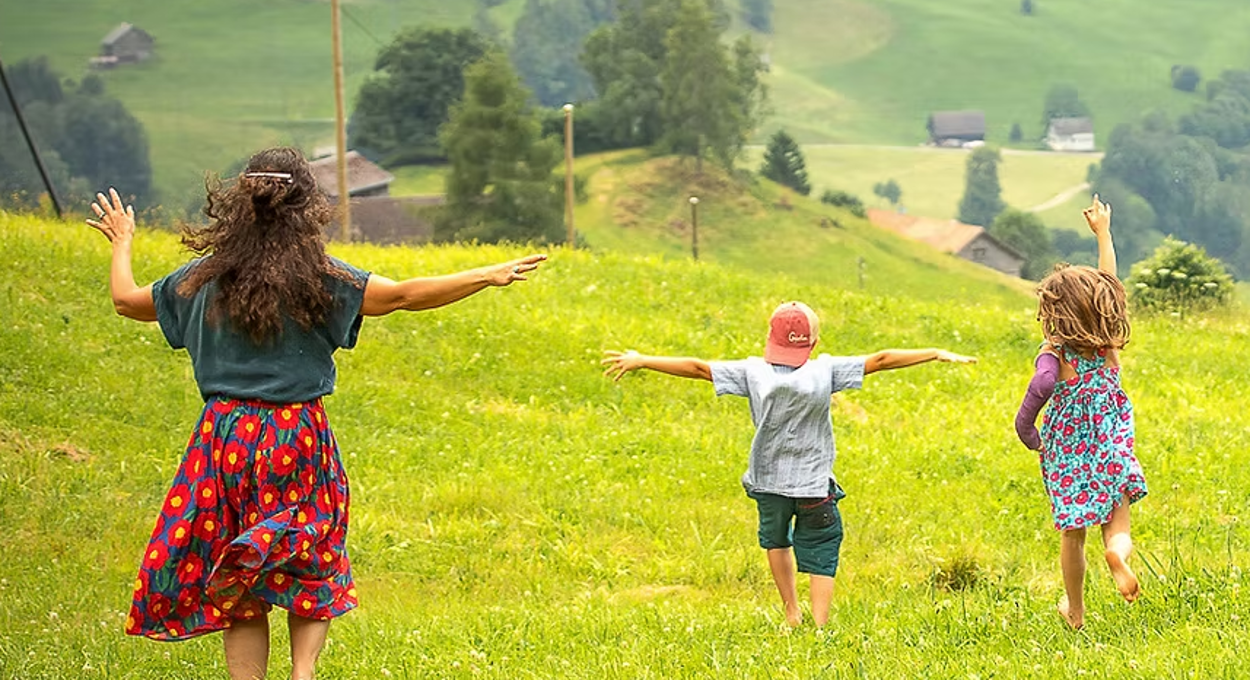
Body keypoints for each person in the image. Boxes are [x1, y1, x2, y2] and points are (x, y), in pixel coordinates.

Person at [87, 146, 547, 680]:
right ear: (306, 207)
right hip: (295, 435)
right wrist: (484, 274)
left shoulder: (200, 280)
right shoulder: (320, 278)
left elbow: (126, 301)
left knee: (237, 566)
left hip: (224, 439)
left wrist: (123, 241)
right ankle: (302, 673)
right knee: (313, 551)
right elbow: (403, 296)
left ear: (238, 205)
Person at [602, 302, 976, 628]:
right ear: (813, 342)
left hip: (768, 481)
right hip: (814, 485)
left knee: (776, 540)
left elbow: (698, 368)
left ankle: (791, 612)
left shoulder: (752, 372)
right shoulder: (825, 371)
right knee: (822, 544)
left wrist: (643, 360)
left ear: (771, 339)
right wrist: (934, 352)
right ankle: (820, 624)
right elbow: (881, 359)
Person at [1014, 194, 1148, 630]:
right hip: (1110, 447)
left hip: (1068, 454)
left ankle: (1075, 610)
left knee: (1073, 535)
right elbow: (1108, 281)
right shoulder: (1108, 343)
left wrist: (1027, 428)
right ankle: (1117, 554)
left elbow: (1041, 386)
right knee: (1117, 520)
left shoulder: (1055, 353)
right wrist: (1103, 234)